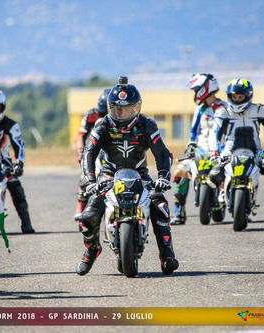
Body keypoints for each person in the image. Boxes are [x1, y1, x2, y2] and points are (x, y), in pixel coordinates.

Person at [76, 76, 179, 276]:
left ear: (137, 108)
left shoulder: (147, 125)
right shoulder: (102, 124)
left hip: (140, 175)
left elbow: (162, 153)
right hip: (108, 175)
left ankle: (166, 254)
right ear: (109, 108)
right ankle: (91, 250)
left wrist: (164, 176)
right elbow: (89, 153)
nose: (122, 114)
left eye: (127, 109)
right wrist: (90, 180)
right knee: (88, 216)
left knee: (161, 205)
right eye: (117, 109)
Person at [211, 78, 264, 229]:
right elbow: (214, 134)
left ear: (248, 96)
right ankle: (219, 199)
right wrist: (215, 152)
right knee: (213, 172)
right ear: (229, 96)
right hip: (229, 152)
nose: (237, 100)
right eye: (235, 97)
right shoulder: (223, 111)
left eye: (241, 97)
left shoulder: (259, 109)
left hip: (257, 152)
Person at [171, 73, 228, 225]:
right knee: (180, 172)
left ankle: (240, 208)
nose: (195, 94)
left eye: (196, 90)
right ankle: (178, 213)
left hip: (221, 152)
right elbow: (193, 132)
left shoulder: (225, 108)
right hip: (201, 151)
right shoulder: (200, 109)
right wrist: (190, 145)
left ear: (205, 89)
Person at [0, 88, 35, 234]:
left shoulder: (11, 124)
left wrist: (19, 163)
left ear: (2, 106)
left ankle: (26, 223)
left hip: (4, 161)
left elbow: (19, 145)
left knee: (16, 187)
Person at [74, 88, 110, 219]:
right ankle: (80, 209)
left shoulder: (122, 117)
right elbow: (80, 135)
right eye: (103, 112)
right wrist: (81, 152)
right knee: (85, 178)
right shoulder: (91, 115)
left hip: (110, 148)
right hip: (93, 147)